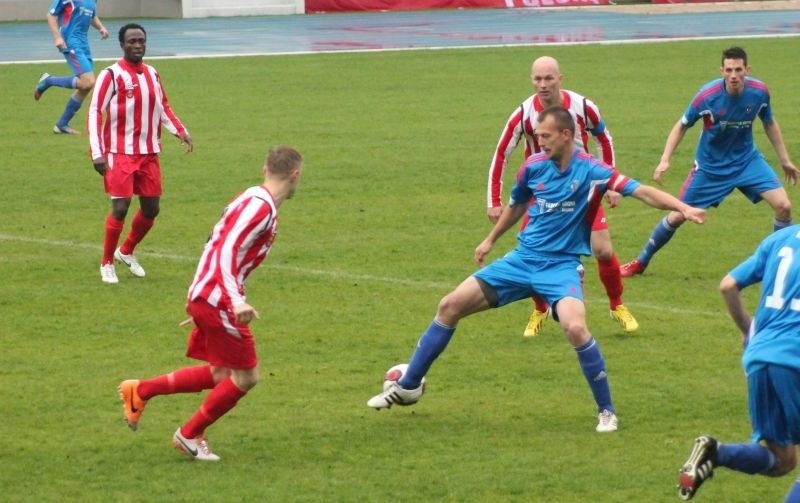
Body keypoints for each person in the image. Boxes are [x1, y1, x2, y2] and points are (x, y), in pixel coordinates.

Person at [368, 107, 706, 432]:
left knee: (575, 328)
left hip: (561, 267)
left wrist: (682, 207)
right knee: (449, 305)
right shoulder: (532, 167)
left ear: (566, 135)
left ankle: (607, 411)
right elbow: (517, 206)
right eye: (537, 135)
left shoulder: (592, 170)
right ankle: (408, 386)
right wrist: (490, 240)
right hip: (521, 260)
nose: (540, 141)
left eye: (546, 136)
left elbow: (642, 191)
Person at [117, 145, 304, 461]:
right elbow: (226, 248)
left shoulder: (252, 199)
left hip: (210, 298)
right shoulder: (260, 208)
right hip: (219, 300)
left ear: (265, 169)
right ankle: (189, 434)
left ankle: (141, 390)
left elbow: (212, 241)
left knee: (221, 372)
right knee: (246, 376)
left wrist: (201, 296)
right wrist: (230, 301)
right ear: (295, 176)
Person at [487, 56, 638, 338]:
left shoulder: (582, 106)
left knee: (603, 250)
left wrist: (612, 183)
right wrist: (493, 200)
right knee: (533, 251)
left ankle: (617, 305)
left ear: (560, 79)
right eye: (537, 79)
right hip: (543, 193)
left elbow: (604, 139)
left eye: (548, 78)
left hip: (583, 190)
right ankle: (540, 309)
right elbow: (501, 153)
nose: (543, 85)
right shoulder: (522, 113)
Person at [621, 46, 798, 278]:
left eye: (738, 70)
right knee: (678, 214)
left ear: (747, 70)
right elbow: (682, 125)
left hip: (747, 161)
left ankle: (778, 265)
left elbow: (769, 122)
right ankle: (641, 261)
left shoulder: (760, 92)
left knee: (783, 206)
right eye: (728, 70)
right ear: (721, 71)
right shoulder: (707, 96)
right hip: (711, 168)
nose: (733, 75)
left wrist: (785, 160)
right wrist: (665, 159)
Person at [677, 225, 800, 501]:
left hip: (759, 357)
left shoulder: (779, 239)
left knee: (783, 460)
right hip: (795, 357)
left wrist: (748, 332)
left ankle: (717, 453)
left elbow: (728, 285)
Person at [88, 23, 193, 284]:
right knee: (121, 207)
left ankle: (126, 251)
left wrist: (180, 130)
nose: (137, 45)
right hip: (119, 152)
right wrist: (97, 152)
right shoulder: (110, 75)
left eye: (141, 41)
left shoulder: (152, 74)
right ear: (122, 45)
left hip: (149, 152)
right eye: (132, 41)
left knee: (151, 208)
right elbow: (94, 111)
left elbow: (162, 105)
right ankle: (107, 263)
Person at [34, 0, 109, 135]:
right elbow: (51, 15)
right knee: (89, 81)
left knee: (85, 86)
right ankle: (48, 81)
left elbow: (91, 15)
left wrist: (101, 27)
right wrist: (57, 37)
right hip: (71, 41)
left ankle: (61, 125)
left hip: (83, 43)